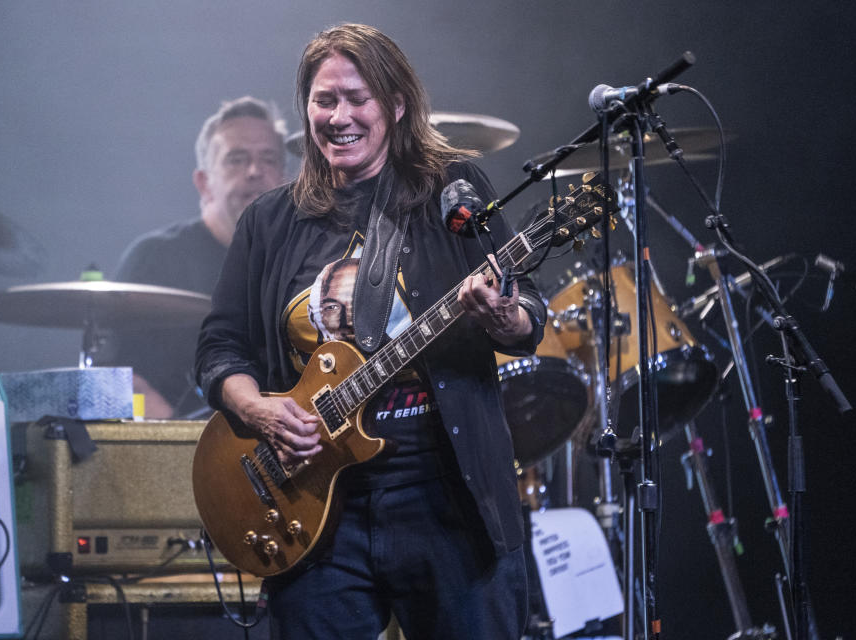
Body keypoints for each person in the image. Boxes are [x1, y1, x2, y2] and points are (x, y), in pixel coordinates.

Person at [195, 24, 547, 639]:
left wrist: (504, 315)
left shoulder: (450, 193)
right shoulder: (270, 221)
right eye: (324, 100)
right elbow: (220, 345)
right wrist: (259, 409)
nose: (340, 116)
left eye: (358, 99)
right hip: (313, 504)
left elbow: (528, 315)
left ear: (396, 106)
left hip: (445, 496)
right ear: (305, 109)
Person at [100, 97, 287, 418]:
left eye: (268, 159)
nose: (255, 171)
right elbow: (125, 380)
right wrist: (182, 447)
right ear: (204, 183)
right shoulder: (157, 256)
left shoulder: (299, 258)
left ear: (285, 176)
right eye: (236, 159)